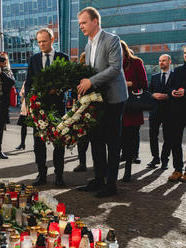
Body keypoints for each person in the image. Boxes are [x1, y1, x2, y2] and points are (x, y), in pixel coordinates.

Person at [77, 7, 128, 197]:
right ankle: (99, 179)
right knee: (96, 139)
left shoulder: (112, 40)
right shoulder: (88, 45)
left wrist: (91, 81)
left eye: (84, 22)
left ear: (95, 21)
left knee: (112, 142)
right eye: (80, 23)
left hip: (114, 98)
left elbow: (115, 68)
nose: (81, 26)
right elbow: (91, 71)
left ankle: (111, 185)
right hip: (97, 100)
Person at [25, 28, 69, 187]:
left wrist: (59, 90)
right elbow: (29, 83)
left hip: (58, 107)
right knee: (38, 144)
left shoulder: (63, 57)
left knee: (59, 143)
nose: (41, 44)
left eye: (44, 41)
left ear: (52, 40)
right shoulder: (34, 60)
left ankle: (59, 176)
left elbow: (68, 81)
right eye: (39, 42)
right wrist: (30, 102)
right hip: (39, 108)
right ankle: (41, 175)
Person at [119, 40, 148, 182]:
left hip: (132, 106)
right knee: (119, 139)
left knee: (131, 137)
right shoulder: (112, 64)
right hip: (117, 106)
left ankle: (128, 170)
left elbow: (144, 83)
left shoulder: (136, 62)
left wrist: (129, 83)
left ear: (124, 49)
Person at [147, 54, 173, 170]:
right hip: (155, 111)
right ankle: (155, 158)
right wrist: (153, 95)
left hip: (169, 111)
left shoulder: (175, 76)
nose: (161, 63)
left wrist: (168, 96)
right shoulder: (154, 76)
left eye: (163, 61)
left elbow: (177, 92)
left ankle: (164, 160)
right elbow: (149, 91)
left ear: (169, 62)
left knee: (168, 137)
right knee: (153, 136)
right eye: (159, 61)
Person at [167, 46, 186, 182]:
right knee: (175, 141)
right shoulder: (178, 70)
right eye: (185, 53)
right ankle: (178, 170)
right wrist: (172, 91)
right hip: (177, 111)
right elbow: (169, 87)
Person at [73, 52, 90, 173]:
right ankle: (84, 163)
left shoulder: (80, 73)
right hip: (87, 106)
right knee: (85, 137)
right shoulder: (86, 72)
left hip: (84, 106)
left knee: (82, 136)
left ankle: (82, 163)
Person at [16, 82, 27, 150]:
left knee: (36, 127)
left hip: (32, 105)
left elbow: (21, 94)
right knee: (23, 126)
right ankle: (22, 143)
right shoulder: (25, 82)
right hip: (25, 106)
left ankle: (36, 144)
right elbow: (21, 94)